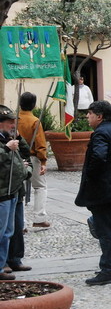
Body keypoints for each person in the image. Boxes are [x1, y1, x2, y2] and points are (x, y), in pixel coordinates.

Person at [75, 101, 111, 285]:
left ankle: (108, 270)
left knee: (106, 231)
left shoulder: (101, 133)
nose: (87, 117)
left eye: (89, 114)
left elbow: (99, 156)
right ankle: (109, 267)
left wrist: (91, 176)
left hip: (105, 191)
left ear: (99, 116)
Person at [0, 105, 31, 281]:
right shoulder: (4, 142)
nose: (13, 125)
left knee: (12, 230)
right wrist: (6, 149)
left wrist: (18, 137)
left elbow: (25, 153)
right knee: (2, 231)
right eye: (10, 122)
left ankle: (11, 260)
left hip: (15, 191)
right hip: (3, 191)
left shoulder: (10, 137)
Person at [17, 92, 49, 227]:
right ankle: (39, 218)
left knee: (19, 188)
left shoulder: (14, 119)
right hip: (32, 157)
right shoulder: (35, 121)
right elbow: (40, 143)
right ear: (34, 105)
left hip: (16, 156)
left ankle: (21, 222)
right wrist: (43, 161)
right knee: (40, 186)